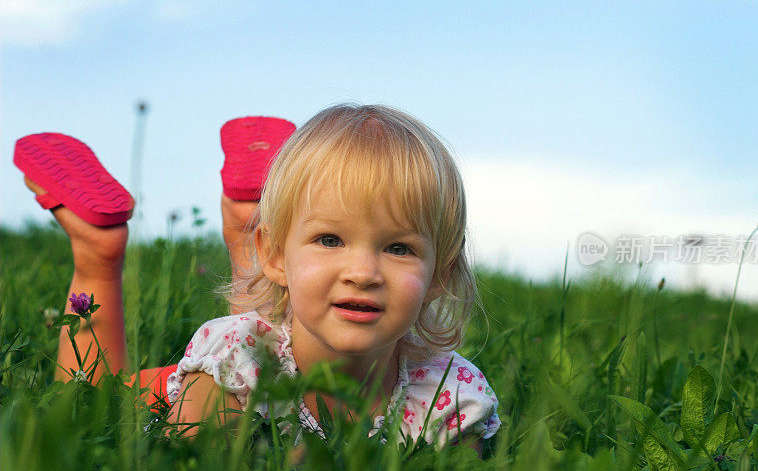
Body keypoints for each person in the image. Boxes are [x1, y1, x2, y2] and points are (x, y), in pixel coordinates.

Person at [14, 104, 500, 450]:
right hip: (206, 382)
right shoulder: (228, 366)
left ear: (442, 273)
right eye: (330, 239)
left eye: (399, 248)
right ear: (277, 255)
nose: (363, 273)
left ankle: (257, 224)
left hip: (265, 354)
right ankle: (98, 253)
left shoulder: (450, 394)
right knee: (89, 399)